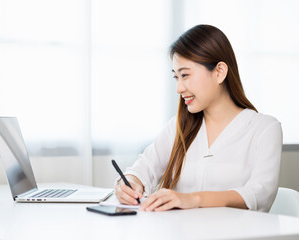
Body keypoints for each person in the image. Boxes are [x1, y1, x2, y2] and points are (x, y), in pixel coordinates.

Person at [114, 24, 283, 212]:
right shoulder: (179, 126)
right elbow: (144, 167)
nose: (179, 88)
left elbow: (260, 193)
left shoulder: (264, 128)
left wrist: (193, 199)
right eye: (176, 77)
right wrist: (129, 183)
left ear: (219, 72)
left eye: (185, 75)